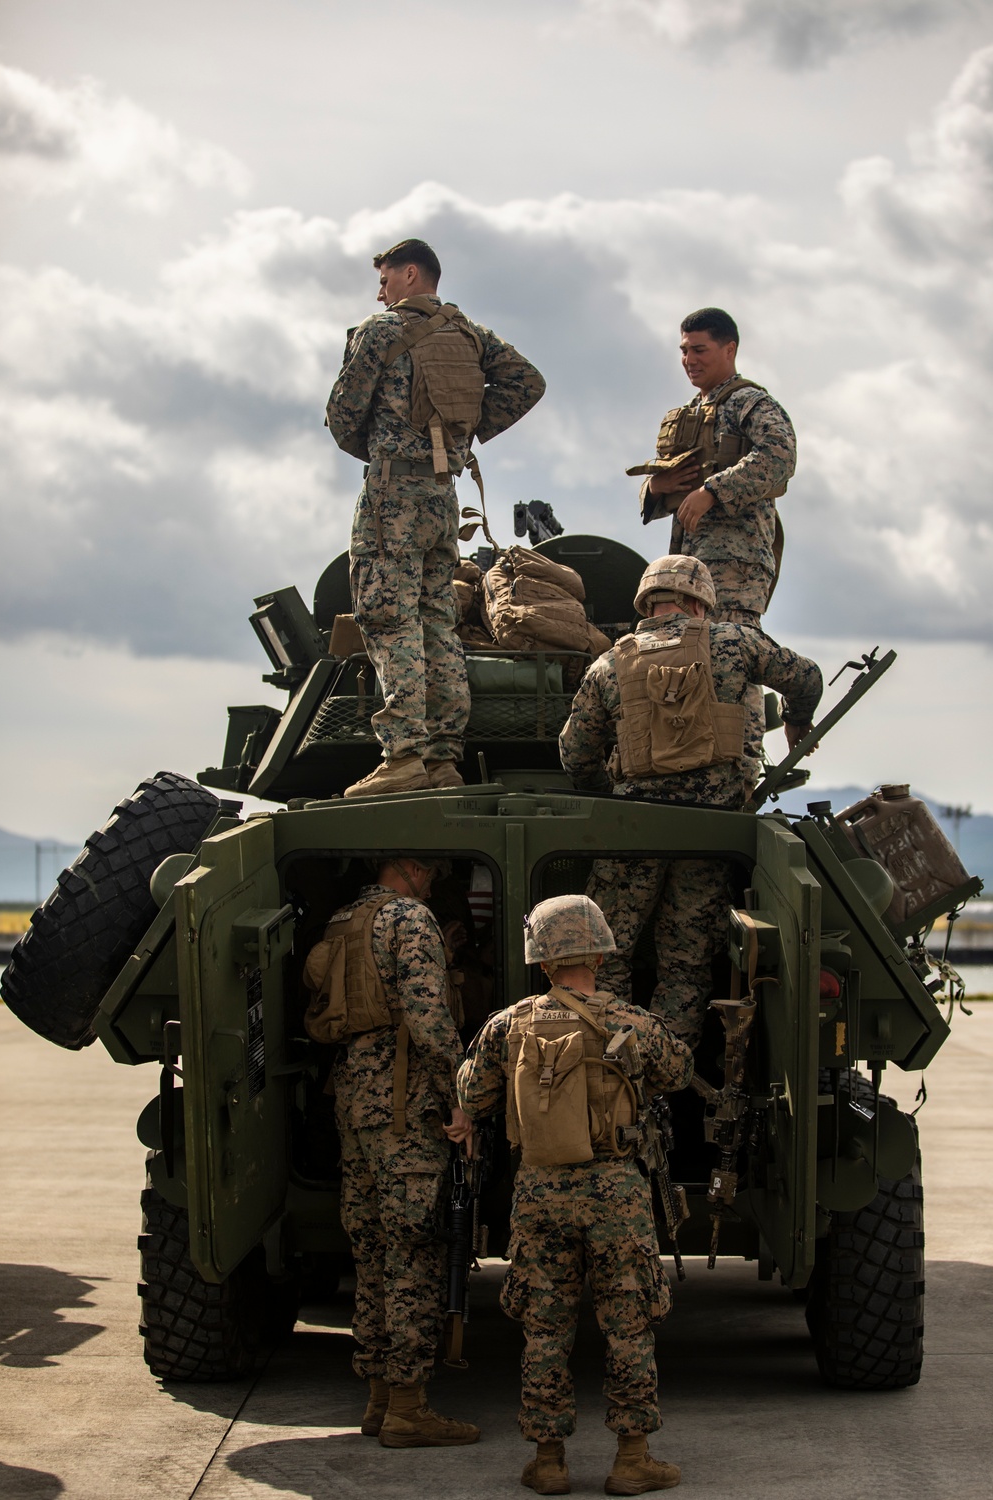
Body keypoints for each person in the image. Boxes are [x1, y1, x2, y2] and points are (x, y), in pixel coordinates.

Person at [458, 895, 693, 1496]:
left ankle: (549, 1460)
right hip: (616, 1190)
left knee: (544, 1327)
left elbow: (471, 1092)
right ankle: (633, 1459)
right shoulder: (632, 1023)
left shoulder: (509, 1024)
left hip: (539, 1189)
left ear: (541, 960)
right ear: (598, 951)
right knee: (629, 1323)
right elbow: (680, 1070)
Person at [558, 555, 822, 1049]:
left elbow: (574, 754)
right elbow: (806, 677)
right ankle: (662, 1073)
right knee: (685, 964)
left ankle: (612, 1071)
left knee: (607, 955)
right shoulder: (735, 642)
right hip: (710, 836)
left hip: (632, 834)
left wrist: (606, 795)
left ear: (648, 601)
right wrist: (796, 721)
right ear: (698, 601)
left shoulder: (608, 663)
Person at [326, 238, 546, 798]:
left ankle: (402, 757)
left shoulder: (380, 332)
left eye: (384, 280)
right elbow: (527, 383)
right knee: (436, 619)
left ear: (409, 274)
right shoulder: (471, 334)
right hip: (444, 498)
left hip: (392, 494)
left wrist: (388, 449)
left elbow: (342, 413)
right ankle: (444, 758)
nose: (379, 293)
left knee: (388, 618)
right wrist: (457, 441)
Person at [302, 852, 479, 1447]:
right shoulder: (410, 917)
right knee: (413, 1252)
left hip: (354, 1100)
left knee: (372, 1251)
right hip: (404, 1106)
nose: (433, 883)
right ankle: (409, 1406)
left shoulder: (345, 917)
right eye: (430, 872)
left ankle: (379, 1396)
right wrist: (462, 1094)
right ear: (411, 868)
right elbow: (427, 1016)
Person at [630, 308, 797, 791]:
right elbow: (665, 485)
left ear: (730, 349)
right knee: (687, 656)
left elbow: (779, 458)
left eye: (699, 349)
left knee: (733, 656)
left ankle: (743, 766)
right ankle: (695, 766)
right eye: (683, 350)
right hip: (689, 565)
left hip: (736, 563)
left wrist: (715, 490)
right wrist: (657, 487)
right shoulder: (689, 414)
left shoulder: (751, 404)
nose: (688, 359)